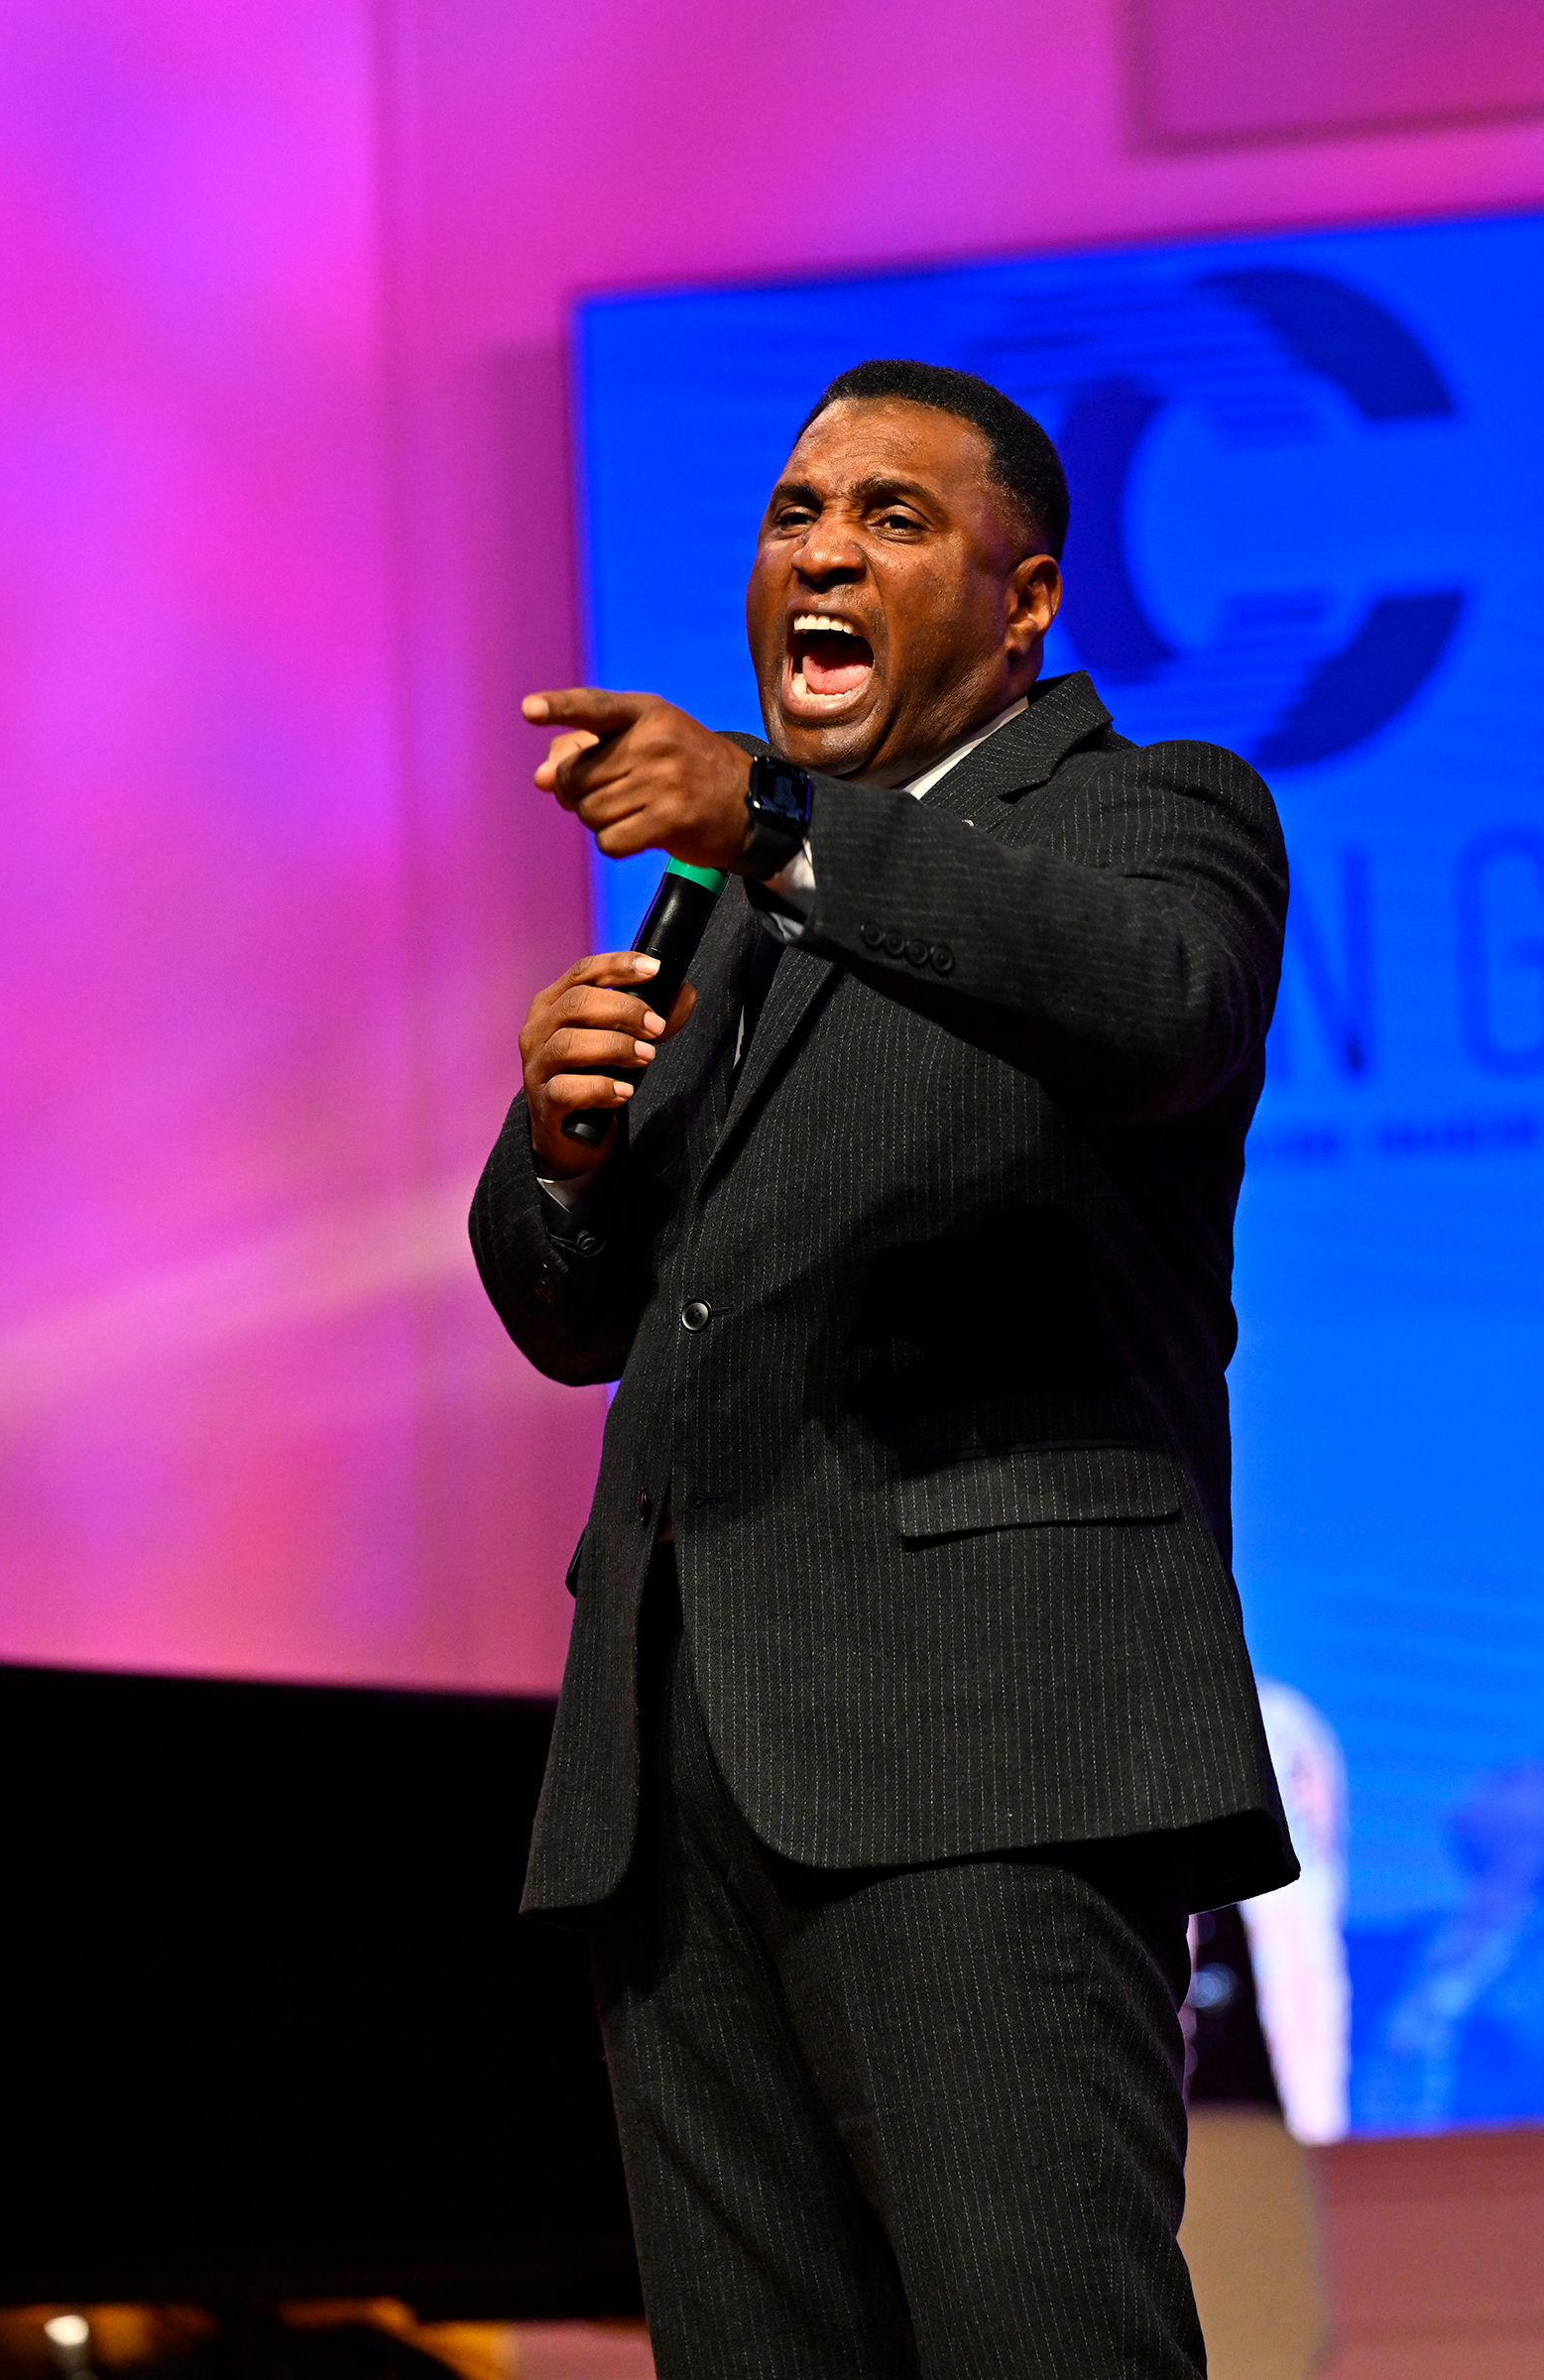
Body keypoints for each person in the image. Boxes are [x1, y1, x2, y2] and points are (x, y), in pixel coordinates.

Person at [470, 359, 1295, 2380]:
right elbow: (580, 1314)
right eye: (792, 514)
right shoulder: (721, 918)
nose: (820, 549)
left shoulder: (1150, 812)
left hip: (990, 1745)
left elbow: (1154, 1002)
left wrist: (770, 810)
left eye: (891, 521)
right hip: (679, 1780)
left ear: (1024, 600)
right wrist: (565, 1153)